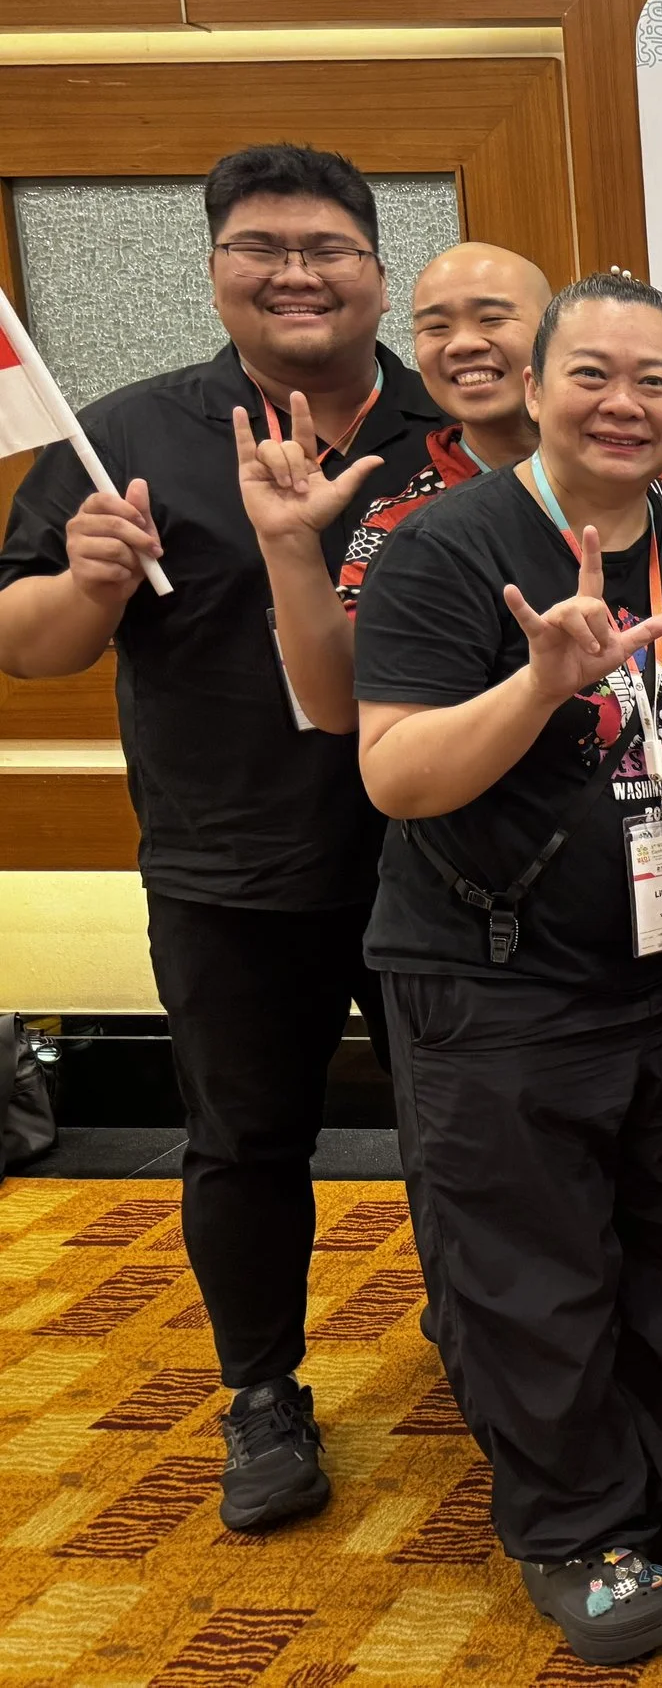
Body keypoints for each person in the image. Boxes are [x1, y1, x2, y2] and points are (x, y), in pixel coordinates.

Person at [0, 143, 439, 1532]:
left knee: (463, 1130)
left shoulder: (455, 431)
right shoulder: (123, 439)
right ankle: (261, 1390)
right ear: (216, 271)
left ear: (379, 271)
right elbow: (33, 649)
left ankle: (491, 1352)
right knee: (245, 1141)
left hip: (441, 861)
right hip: (230, 866)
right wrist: (86, 580)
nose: (296, 272)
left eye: (327, 248)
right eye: (262, 247)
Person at [353, 273, 662, 1664]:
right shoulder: (448, 546)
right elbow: (397, 774)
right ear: (530, 388)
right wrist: (535, 680)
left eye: (657, 379)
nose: (624, 403)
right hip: (497, 977)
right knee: (531, 1268)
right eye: (592, 373)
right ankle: (578, 1513)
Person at [238, 242, 556, 734]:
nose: (462, 344)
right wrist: (289, 544)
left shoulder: (655, 481)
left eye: (492, 319)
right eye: (435, 327)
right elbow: (341, 706)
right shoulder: (401, 520)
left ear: (557, 334)